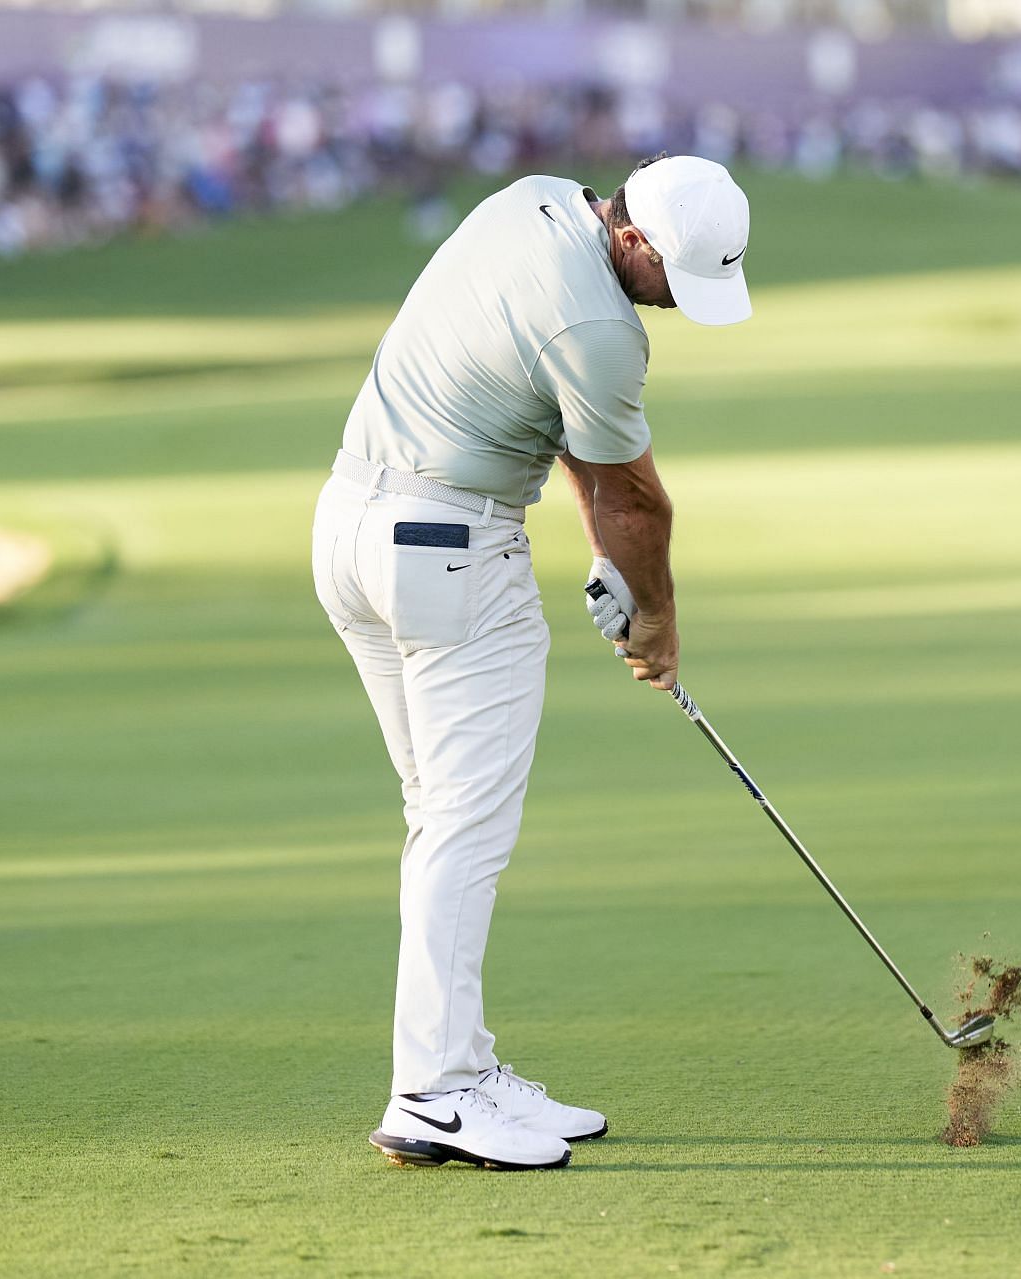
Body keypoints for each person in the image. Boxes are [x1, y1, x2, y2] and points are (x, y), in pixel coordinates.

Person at [310, 155, 752, 1171]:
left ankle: (461, 1065)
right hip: (450, 554)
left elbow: (550, 409)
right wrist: (658, 624)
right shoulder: (606, 329)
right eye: (676, 279)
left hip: (349, 530)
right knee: (465, 827)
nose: (679, 303)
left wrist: (610, 568)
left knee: (439, 818)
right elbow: (642, 503)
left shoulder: (531, 203)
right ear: (636, 238)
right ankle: (432, 1092)